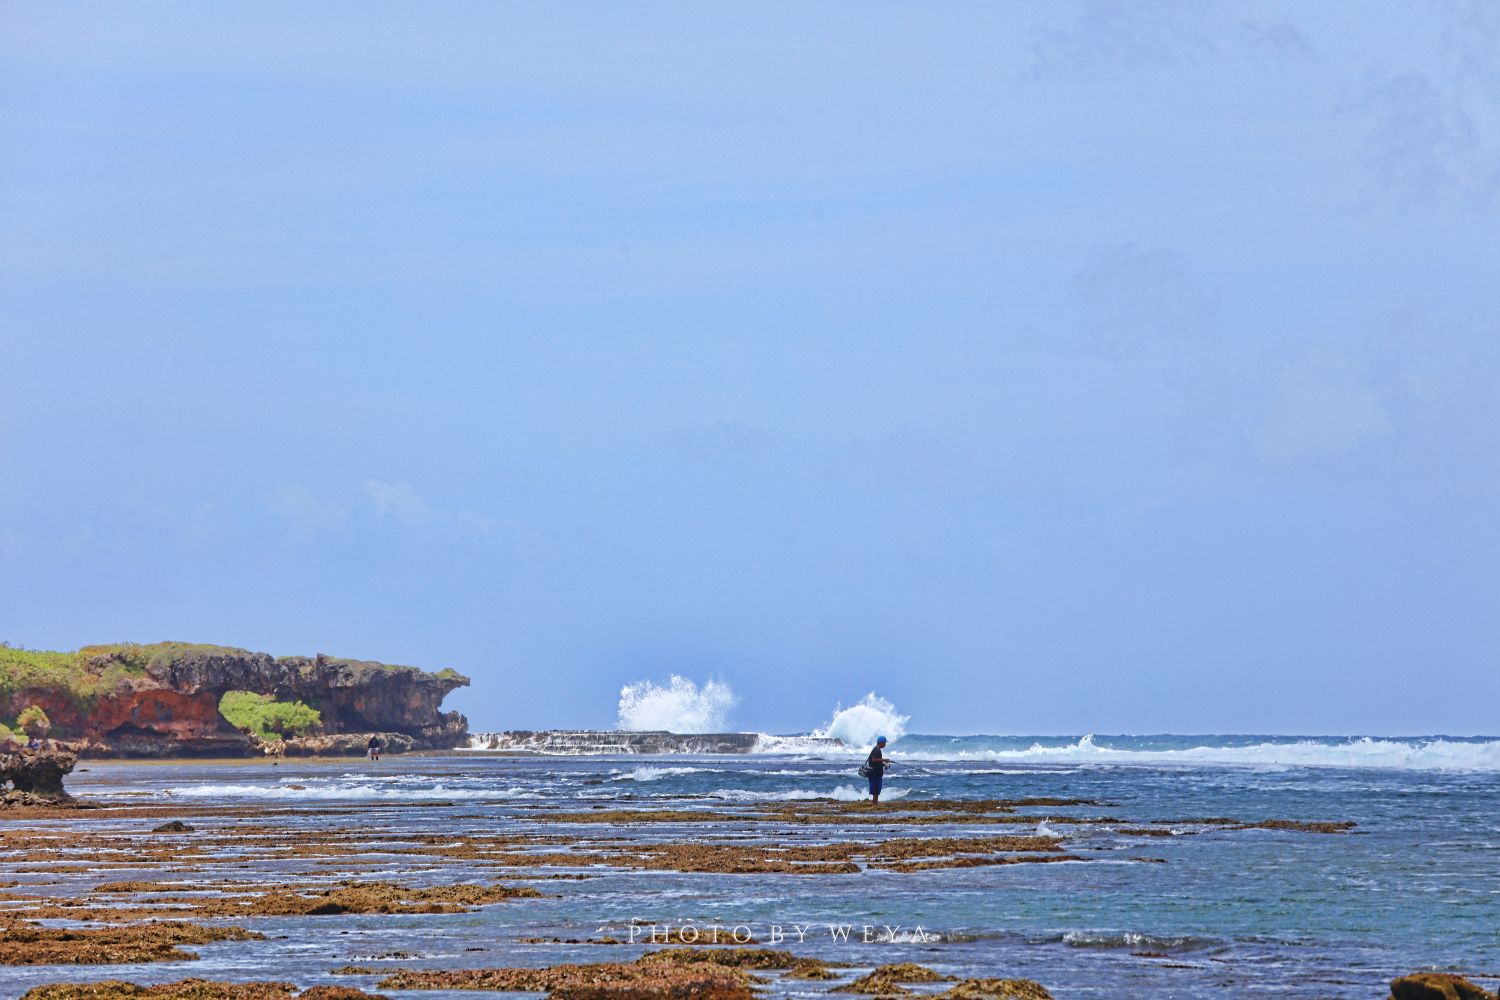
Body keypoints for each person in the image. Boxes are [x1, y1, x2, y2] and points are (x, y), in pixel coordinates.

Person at [866, 736, 889, 804]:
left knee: (876, 789)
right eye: (884, 743)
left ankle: (875, 803)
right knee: (876, 790)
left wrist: (883, 764)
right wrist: (884, 760)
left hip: (875, 773)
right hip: (875, 773)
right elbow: (874, 759)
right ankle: (874, 804)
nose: (885, 744)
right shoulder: (877, 750)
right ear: (881, 743)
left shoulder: (876, 749)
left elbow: (875, 761)